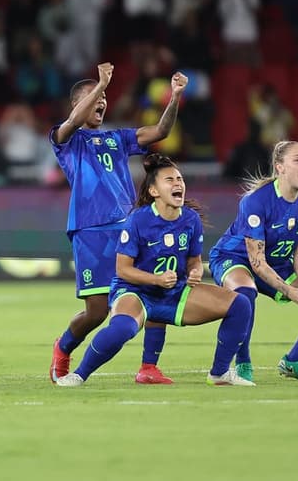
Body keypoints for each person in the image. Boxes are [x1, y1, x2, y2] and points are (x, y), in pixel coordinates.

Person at [55, 154, 254, 387]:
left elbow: (194, 260)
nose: (178, 183)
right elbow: (122, 270)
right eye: (170, 180)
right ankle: (78, 375)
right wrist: (156, 279)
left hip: (173, 293)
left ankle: (219, 373)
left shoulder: (190, 220)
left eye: (179, 179)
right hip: (136, 292)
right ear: (154, 191)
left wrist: (195, 271)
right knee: (122, 329)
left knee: (240, 304)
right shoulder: (138, 220)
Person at [50, 63, 188, 385]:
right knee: (97, 313)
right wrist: (100, 84)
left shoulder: (118, 138)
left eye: (104, 98)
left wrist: (175, 97)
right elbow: (71, 122)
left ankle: (148, 367)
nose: (101, 102)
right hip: (91, 232)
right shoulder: (66, 140)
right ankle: (64, 346)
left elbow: (160, 132)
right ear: (77, 104)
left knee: (157, 287)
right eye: (94, 97)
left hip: (130, 228)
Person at [209, 141, 298, 382]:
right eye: (297, 160)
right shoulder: (256, 201)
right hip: (235, 259)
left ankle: (294, 360)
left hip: (277, 263)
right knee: (245, 291)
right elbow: (256, 262)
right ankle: (243, 362)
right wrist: (287, 290)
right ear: (280, 167)